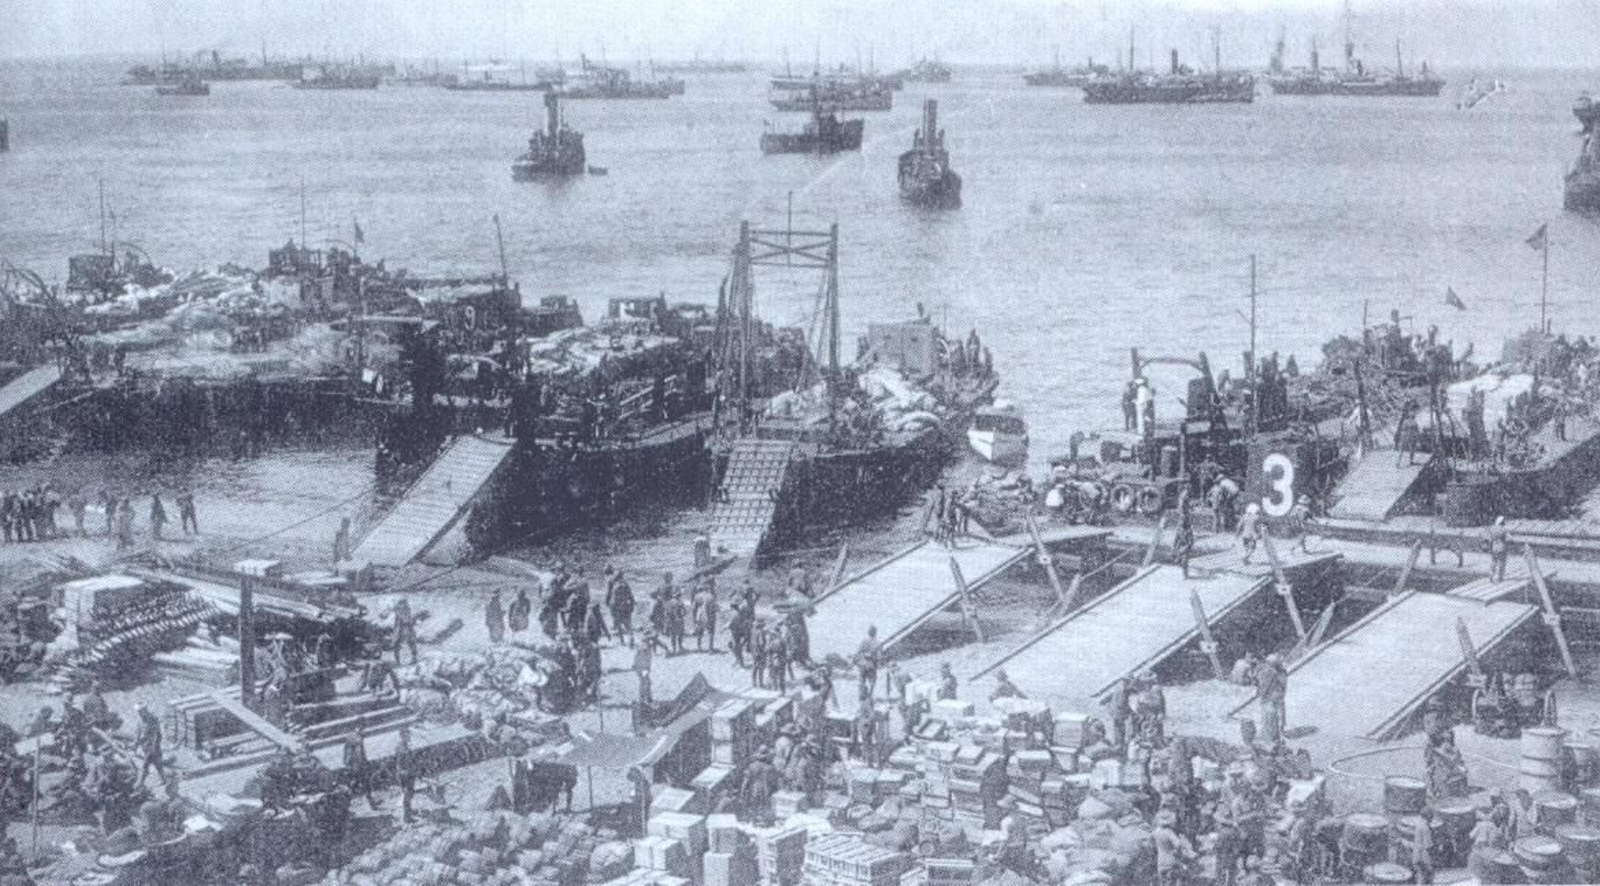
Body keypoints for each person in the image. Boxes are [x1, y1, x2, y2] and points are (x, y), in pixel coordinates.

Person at [1153, 808, 1197, 886]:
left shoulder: (1156, 832)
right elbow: (1178, 844)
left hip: (1160, 861)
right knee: (1175, 880)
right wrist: (1177, 852)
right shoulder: (1169, 832)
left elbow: (1151, 842)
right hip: (1171, 860)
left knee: (1163, 882)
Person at [1252, 653, 1287, 745]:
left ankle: (1271, 738)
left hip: (1269, 698)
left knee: (1269, 718)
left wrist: (1261, 694)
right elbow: (1282, 685)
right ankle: (1275, 736)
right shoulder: (1280, 672)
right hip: (1275, 697)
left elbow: (1260, 685)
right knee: (1275, 717)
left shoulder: (1268, 671)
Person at [342, 727, 379, 810]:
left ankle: (371, 802)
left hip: (353, 766)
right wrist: (364, 764)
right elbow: (359, 754)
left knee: (360, 785)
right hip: (358, 767)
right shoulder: (358, 740)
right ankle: (371, 803)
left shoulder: (350, 737)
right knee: (361, 784)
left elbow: (346, 754)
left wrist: (347, 765)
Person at [133, 703, 165, 788]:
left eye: (140, 711)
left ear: (145, 710)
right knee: (157, 763)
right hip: (146, 746)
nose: (139, 713)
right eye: (138, 712)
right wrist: (135, 746)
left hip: (153, 746)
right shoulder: (140, 721)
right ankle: (163, 779)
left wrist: (153, 747)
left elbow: (156, 734)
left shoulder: (152, 720)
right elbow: (138, 735)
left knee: (145, 765)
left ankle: (139, 783)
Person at [393, 727, 417, 823]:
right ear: (403, 736)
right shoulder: (401, 748)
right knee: (407, 795)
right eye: (408, 735)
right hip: (405, 775)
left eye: (409, 734)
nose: (409, 736)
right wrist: (406, 773)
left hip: (407, 773)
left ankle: (409, 811)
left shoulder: (403, 745)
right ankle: (407, 817)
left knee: (409, 794)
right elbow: (399, 764)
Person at [605, 570, 635, 646]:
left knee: (618, 625)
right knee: (628, 624)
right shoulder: (626, 584)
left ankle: (622, 641)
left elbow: (613, 600)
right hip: (626, 607)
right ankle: (631, 637)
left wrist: (610, 607)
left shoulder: (615, 586)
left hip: (617, 608)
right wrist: (632, 606)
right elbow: (631, 596)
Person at [855, 626, 881, 700]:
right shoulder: (877, 643)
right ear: (875, 633)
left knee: (862, 681)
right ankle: (869, 696)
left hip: (863, 664)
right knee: (872, 682)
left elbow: (858, 652)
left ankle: (862, 696)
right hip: (871, 665)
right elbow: (879, 656)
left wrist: (863, 656)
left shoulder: (864, 641)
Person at [692, 582, 718, 652]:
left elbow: (694, 608)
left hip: (699, 615)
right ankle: (710, 648)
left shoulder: (697, 596)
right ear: (707, 589)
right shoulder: (711, 596)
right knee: (710, 632)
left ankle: (699, 647)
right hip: (708, 615)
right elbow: (714, 608)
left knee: (699, 632)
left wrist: (694, 618)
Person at [392, 598, 419, 665]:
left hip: (405, 630)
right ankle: (399, 661)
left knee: (410, 643)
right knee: (399, 644)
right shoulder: (402, 611)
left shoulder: (404, 611)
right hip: (404, 630)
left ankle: (412, 658)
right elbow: (399, 622)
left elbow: (405, 620)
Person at [1486, 516, 1510, 582]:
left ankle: (1491, 574)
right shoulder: (1504, 529)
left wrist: (1490, 547)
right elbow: (1509, 538)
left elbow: (1490, 539)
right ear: (1503, 522)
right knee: (1502, 562)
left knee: (1493, 561)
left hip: (1494, 547)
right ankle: (1500, 577)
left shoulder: (1492, 529)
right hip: (1502, 547)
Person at [1173, 509, 1195, 579]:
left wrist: (1186, 548)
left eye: (1183, 521)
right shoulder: (1179, 529)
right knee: (1178, 560)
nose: (1181, 522)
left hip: (1186, 546)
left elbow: (1190, 542)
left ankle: (1185, 574)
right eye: (1180, 521)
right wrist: (1174, 547)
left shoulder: (1189, 530)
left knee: (1184, 561)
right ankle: (1183, 569)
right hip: (1180, 545)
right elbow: (1176, 538)